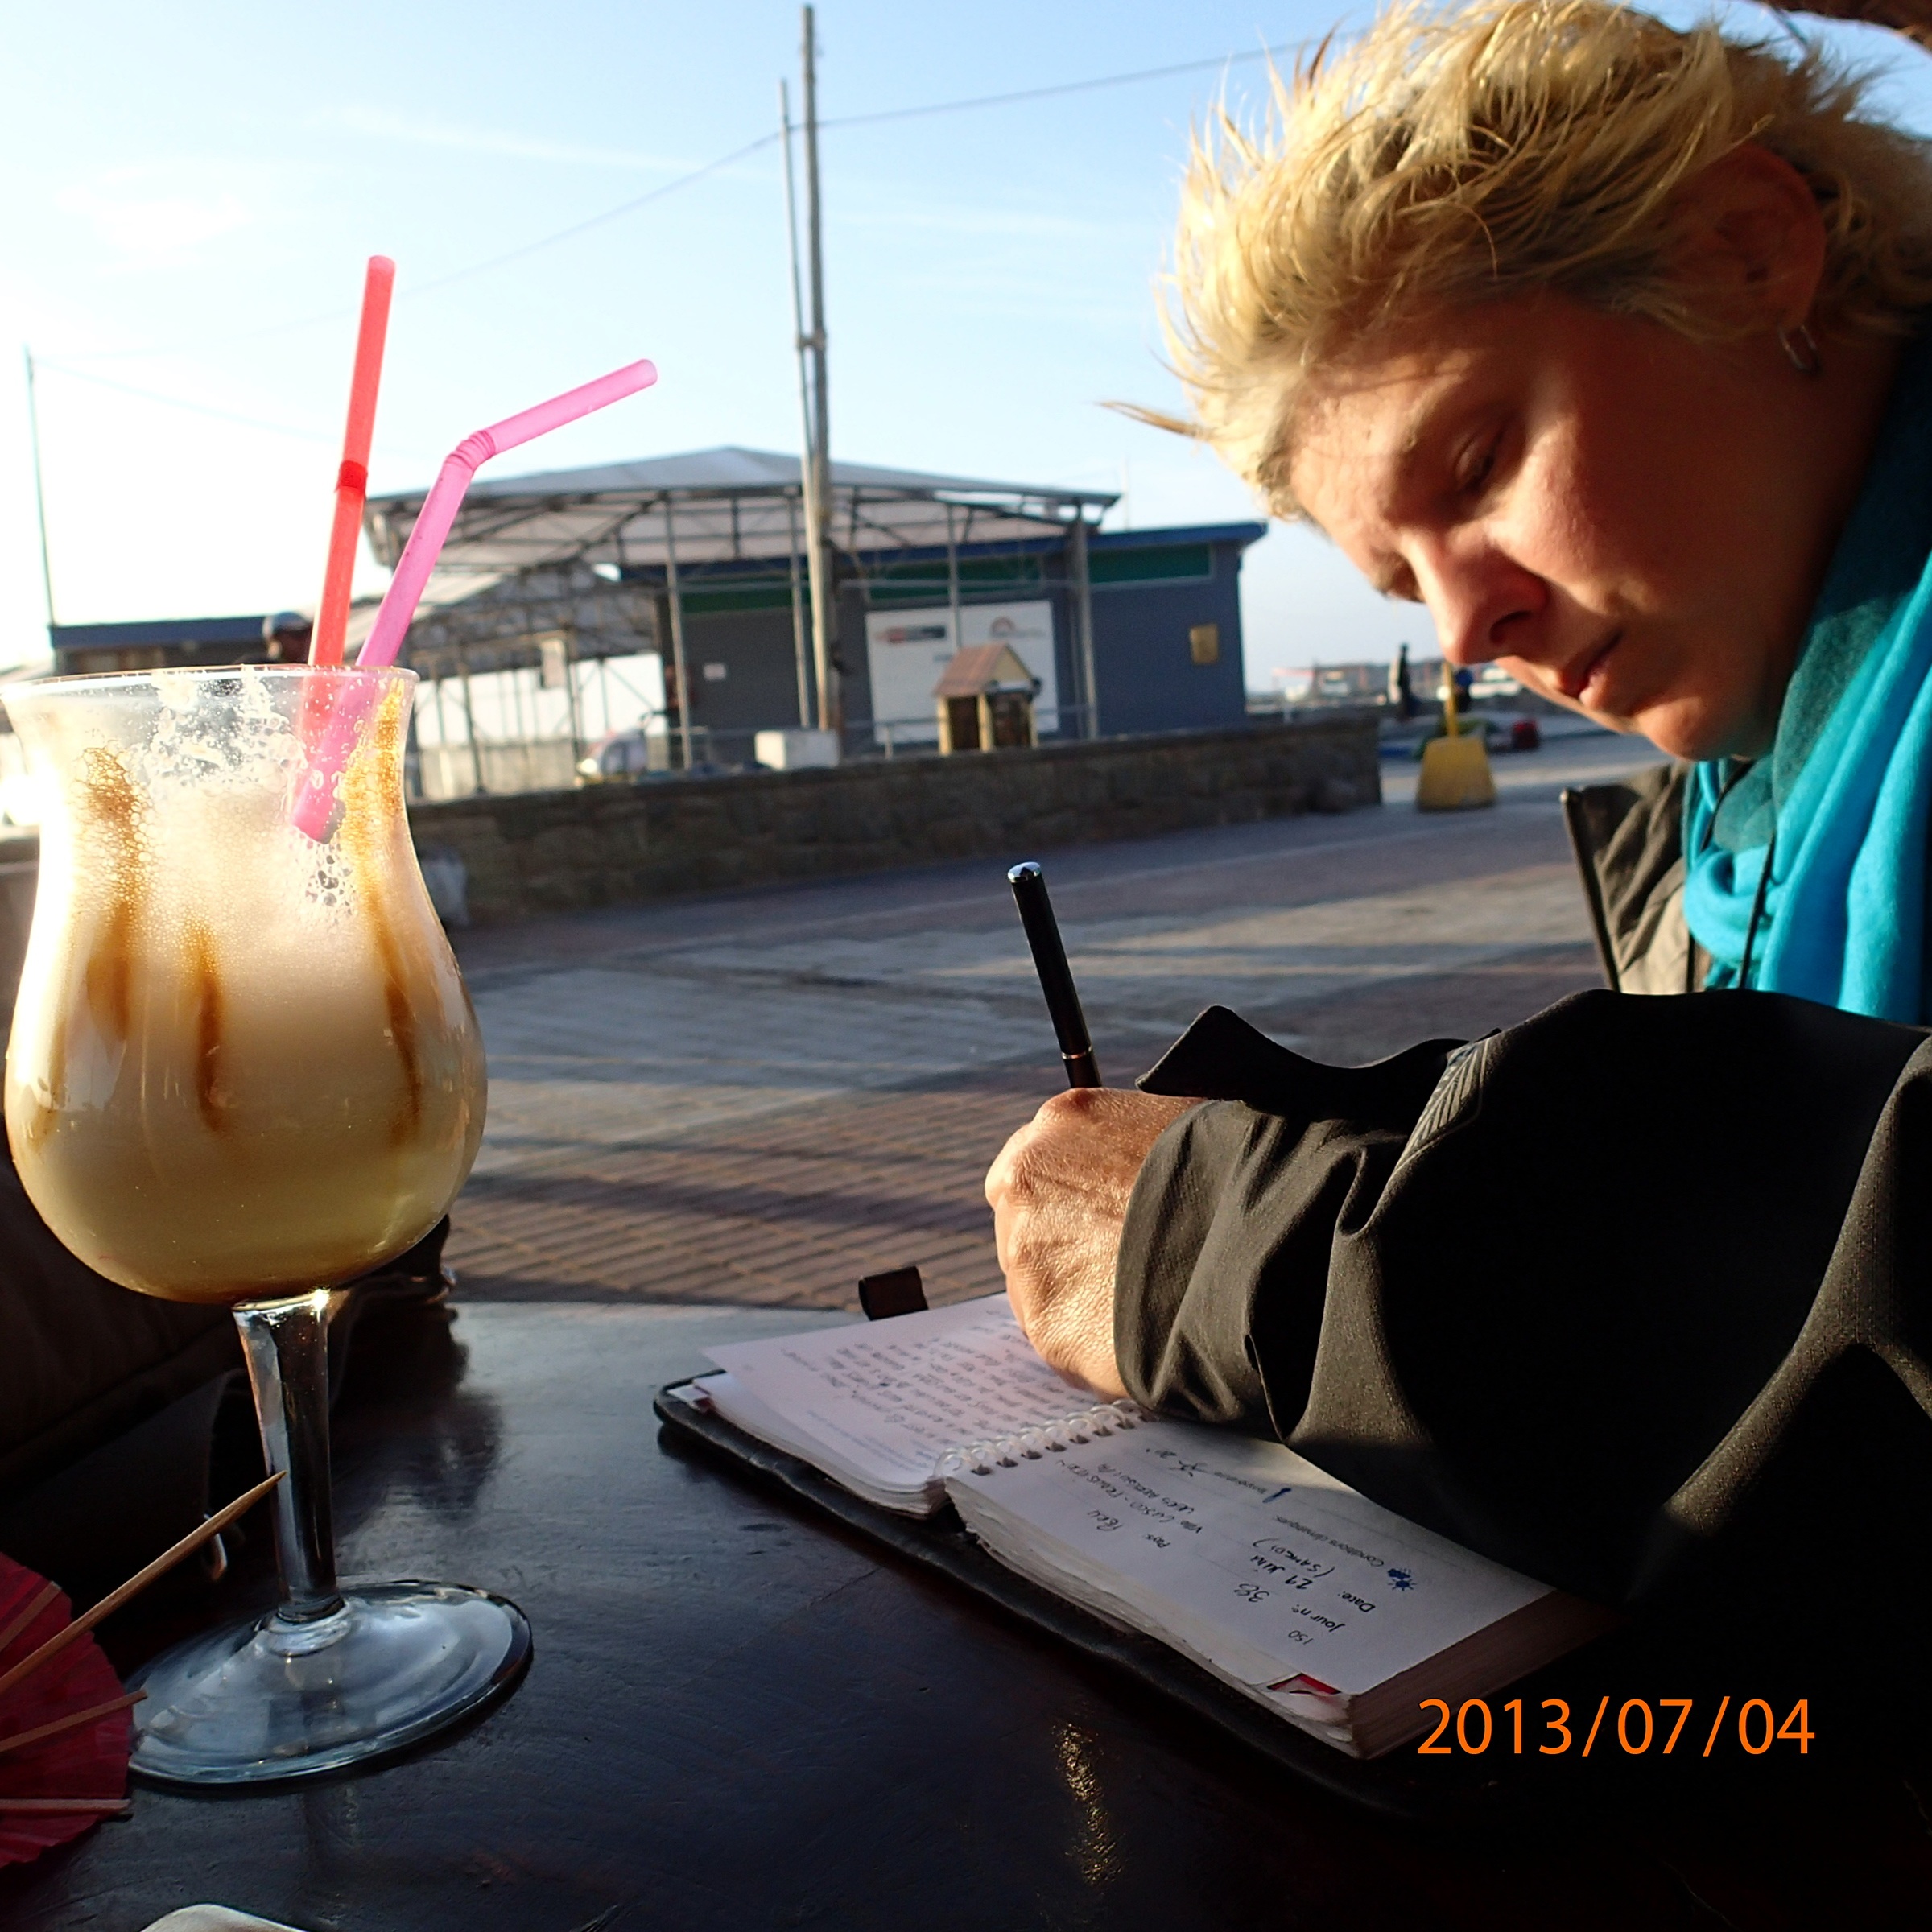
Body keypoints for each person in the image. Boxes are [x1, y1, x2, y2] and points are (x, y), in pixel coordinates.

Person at [988, 0, 1932, 1671]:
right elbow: (1795, 1158)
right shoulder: (1754, 801)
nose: (1464, 631)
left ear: (1743, 253)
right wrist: (1386, 1144)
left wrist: (1236, 1253)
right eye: (1399, 581)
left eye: (1481, 463)